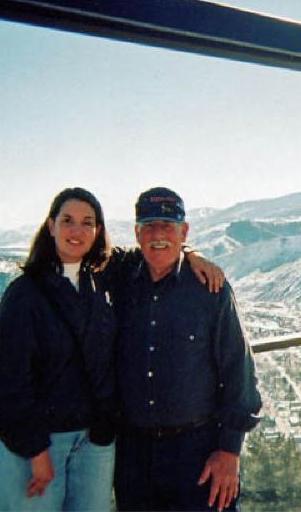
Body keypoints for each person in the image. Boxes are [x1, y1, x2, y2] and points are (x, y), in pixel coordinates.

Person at [0, 187, 222, 511]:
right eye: (67, 220)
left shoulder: (103, 278)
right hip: (36, 444)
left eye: (88, 222)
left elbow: (155, 250)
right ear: (51, 226)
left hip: (93, 443)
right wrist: (35, 451)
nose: (77, 230)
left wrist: (190, 254)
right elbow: (5, 387)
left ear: (98, 231)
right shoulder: (24, 295)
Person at [113, 187, 262, 512]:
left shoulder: (210, 290)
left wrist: (230, 451)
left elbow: (239, 370)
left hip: (199, 454)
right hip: (134, 458)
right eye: (149, 226)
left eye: (168, 225)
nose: (158, 235)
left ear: (184, 231)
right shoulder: (121, 282)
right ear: (137, 233)